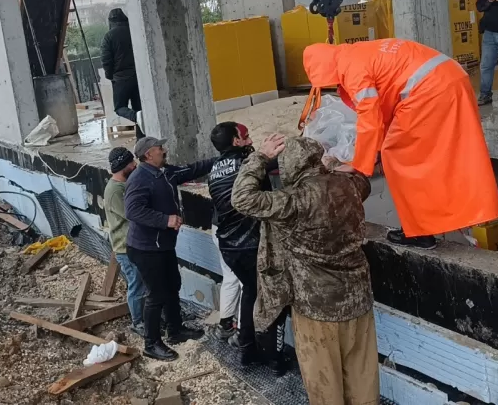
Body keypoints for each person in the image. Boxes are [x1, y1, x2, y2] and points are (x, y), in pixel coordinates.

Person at [303, 39, 498, 250]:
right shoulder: (356, 54)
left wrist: (360, 164)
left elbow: (369, 120)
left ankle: (421, 232)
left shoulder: (351, 70)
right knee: (432, 155)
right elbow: (386, 107)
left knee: (401, 156)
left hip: (430, 90)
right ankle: (429, 224)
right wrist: (375, 149)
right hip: (448, 79)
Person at [231, 134, 378, 404]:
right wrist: (332, 165)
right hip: (358, 299)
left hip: (315, 306)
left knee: (324, 383)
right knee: (363, 375)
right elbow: (363, 180)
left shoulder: (292, 200)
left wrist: (260, 157)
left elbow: (242, 198)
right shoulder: (350, 187)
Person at [124, 136, 215, 360]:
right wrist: (166, 220)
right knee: (156, 295)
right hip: (145, 249)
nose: (164, 150)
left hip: (162, 246)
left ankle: (176, 330)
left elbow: (190, 170)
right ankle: (151, 343)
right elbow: (133, 211)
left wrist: (222, 159)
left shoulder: (164, 172)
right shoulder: (139, 178)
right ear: (148, 155)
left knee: (173, 285)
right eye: (159, 148)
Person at [207, 122, 286, 373]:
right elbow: (274, 165)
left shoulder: (215, 168)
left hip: (229, 246)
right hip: (251, 244)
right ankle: (274, 359)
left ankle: (247, 350)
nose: (250, 138)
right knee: (272, 298)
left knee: (251, 292)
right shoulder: (246, 163)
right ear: (235, 141)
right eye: (246, 136)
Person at [102, 147, 146, 337]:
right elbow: (134, 215)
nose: (135, 165)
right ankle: (138, 323)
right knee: (136, 285)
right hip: (126, 249)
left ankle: (145, 316)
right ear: (122, 167)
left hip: (135, 245)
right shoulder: (114, 192)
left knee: (142, 283)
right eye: (131, 163)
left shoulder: (124, 186)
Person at [101, 8, 144, 138]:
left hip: (121, 79)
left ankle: (134, 117)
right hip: (138, 77)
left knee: (120, 108)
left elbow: (106, 60)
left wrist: (110, 76)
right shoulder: (133, 31)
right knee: (139, 110)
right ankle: (141, 139)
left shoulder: (109, 36)